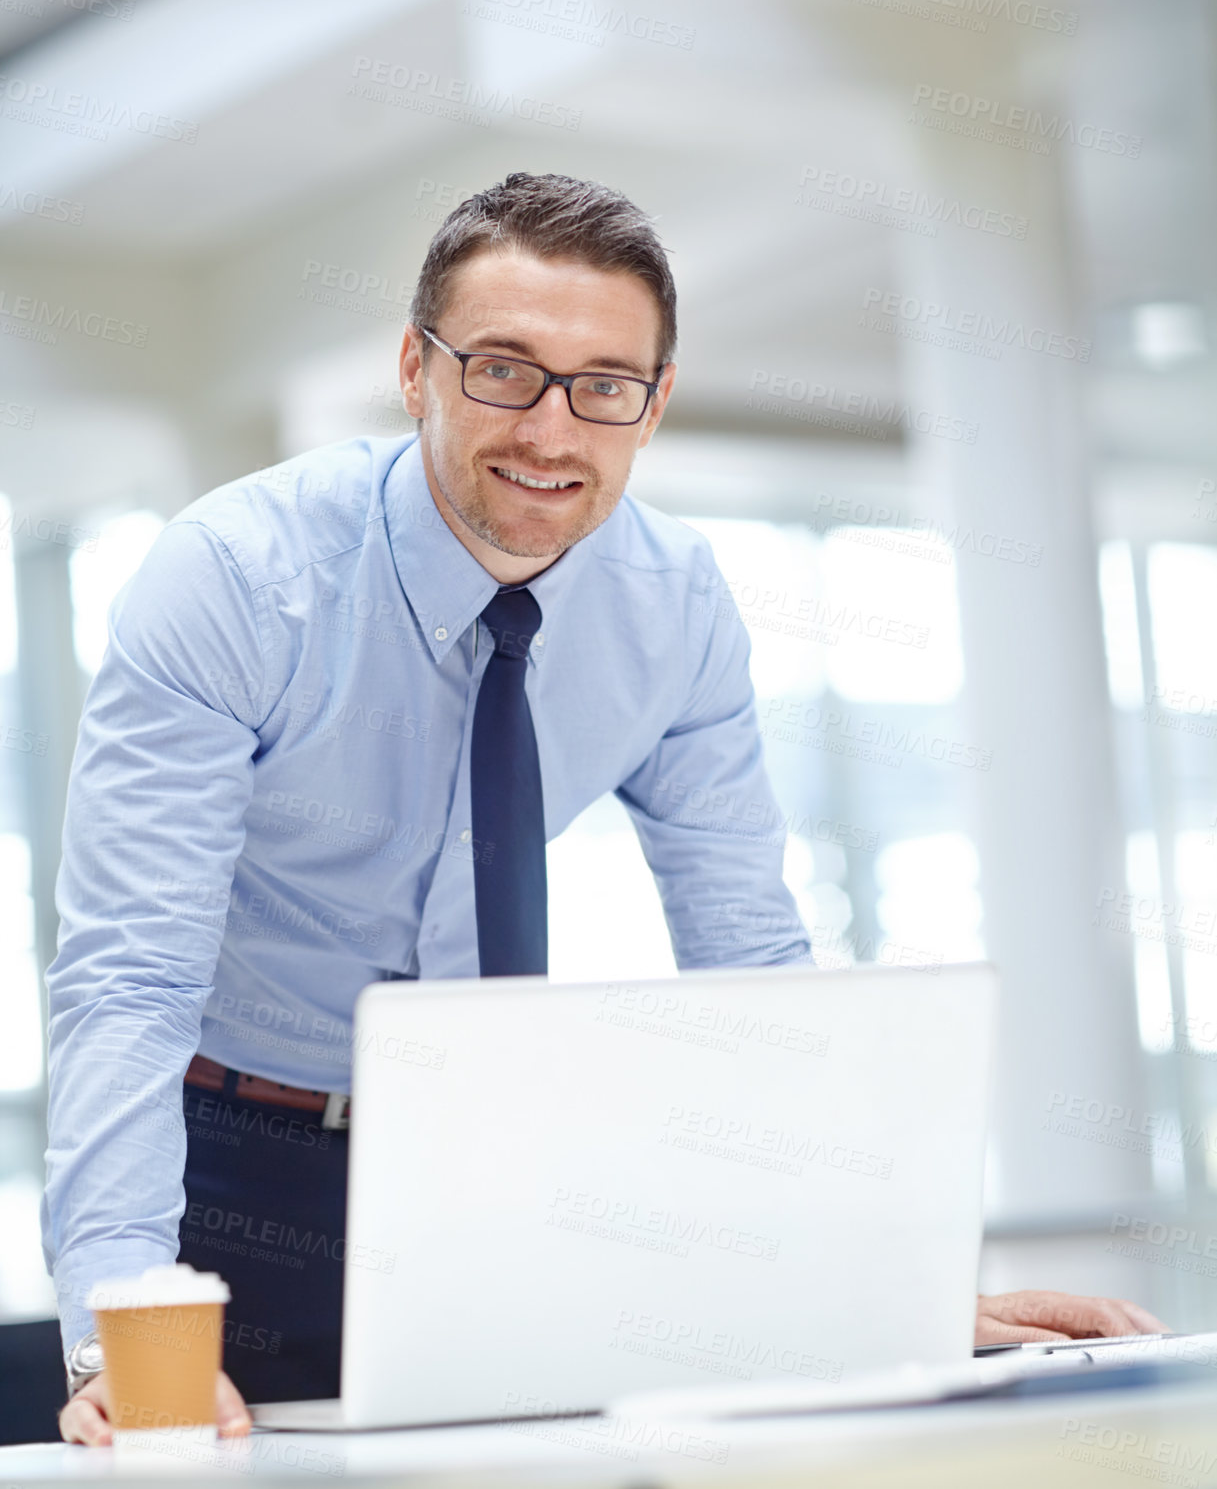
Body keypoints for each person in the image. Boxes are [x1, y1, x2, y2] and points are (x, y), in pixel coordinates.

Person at [44, 173, 1166, 1446]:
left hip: (496, 1160)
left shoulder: (671, 602)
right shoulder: (237, 580)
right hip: (233, 1163)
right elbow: (129, 977)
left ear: (653, 403)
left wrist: (892, 1291)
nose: (550, 429)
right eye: (504, 369)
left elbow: (752, 964)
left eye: (603, 385)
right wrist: (117, 1327)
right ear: (416, 368)